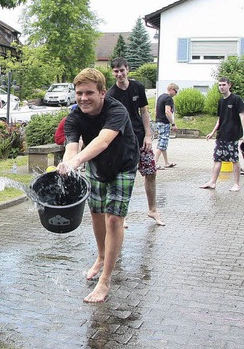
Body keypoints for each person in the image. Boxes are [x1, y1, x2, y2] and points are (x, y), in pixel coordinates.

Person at [57, 68, 139, 303]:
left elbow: (103, 141)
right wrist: (66, 164)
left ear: (102, 92)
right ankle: (101, 256)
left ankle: (105, 281)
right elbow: (71, 146)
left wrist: (76, 161)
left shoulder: (117, 110)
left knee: (113, 218)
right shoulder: (74, 117)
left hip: (123, 164)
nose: (83, 98)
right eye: (79, 93)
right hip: (96, 166)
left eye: (89, 93)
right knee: (96, 212)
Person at [107, 57, 164, 226]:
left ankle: (152, 210)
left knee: (151, 172)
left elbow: (144, 112)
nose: (119, 74)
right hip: (122, 142)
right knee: (121, 177)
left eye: (122, 70)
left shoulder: (138, 87)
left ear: (127, 70)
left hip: (140, 137)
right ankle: (121, 215)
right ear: (113, 73)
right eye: (116, 71)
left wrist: (148, 134)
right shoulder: (111, 95)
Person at [200, 77, 244, 191]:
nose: (221, 87)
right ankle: (212, 182)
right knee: (217, 158)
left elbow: (242, 117)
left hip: (233, 135)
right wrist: (212, 132)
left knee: (234, 159)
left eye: (224, 84)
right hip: (222, 134)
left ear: (229, 85)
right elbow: (220, 119)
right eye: (219, 85)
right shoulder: (221, 101)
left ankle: (236, 184)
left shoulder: (236, 99)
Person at [154, 83, 180, 169]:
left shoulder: (161, 97)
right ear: (172, 89)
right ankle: (154, 163)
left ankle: (166, 162)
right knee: (162, 143)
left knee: (163, 142)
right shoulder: (168, 98)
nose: (176, 94)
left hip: (158, 122)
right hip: (164, 123)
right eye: (176, 91)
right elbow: (167, 111)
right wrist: (173, 123)